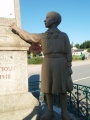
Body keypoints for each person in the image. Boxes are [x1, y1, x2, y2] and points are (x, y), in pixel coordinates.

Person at [11, 11, 73, 120]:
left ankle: (64, 112)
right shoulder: (43, 36)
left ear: (54, 21)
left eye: (47, 17)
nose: (44, 20)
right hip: (48, 63)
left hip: (61, 63)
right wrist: (17, 29)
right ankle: (50, 111)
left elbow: (68, 52)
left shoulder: (64, 36)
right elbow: (29, 36)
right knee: (48, 88)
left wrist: (69, 66)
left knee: (63, 88)